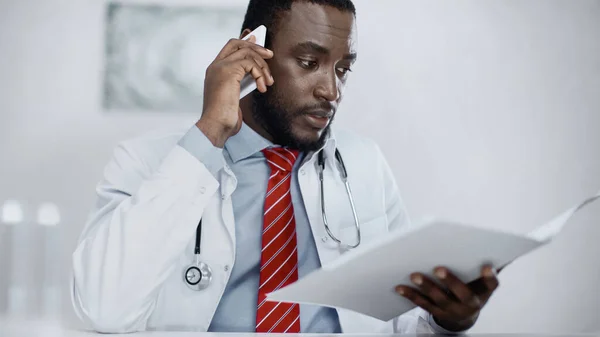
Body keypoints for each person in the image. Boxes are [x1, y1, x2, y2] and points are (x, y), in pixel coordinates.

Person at [71, 0, 500, 334]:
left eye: (343, 69)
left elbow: (398, 321)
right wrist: (207, 136)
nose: (331, 90)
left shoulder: (365, 164)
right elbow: (104, 308)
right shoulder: (147, 161)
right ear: (252, 52)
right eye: (310, 63)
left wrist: (448, 321)